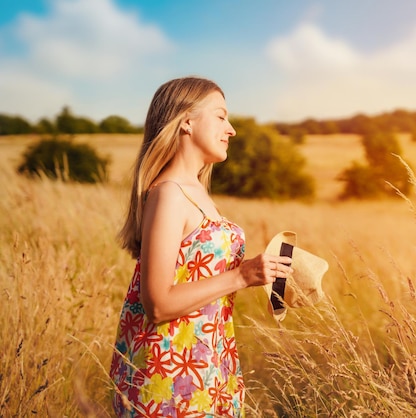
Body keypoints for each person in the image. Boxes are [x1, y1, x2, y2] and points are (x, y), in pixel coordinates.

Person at [109, 76, 292, 417]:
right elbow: (158, 304)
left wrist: (268, 280)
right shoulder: (168, 193)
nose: (232, 129)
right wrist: (240, 276)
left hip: (206, 364)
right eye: (221, 116)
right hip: (169, 376)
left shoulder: (197, 192)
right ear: (187, 122)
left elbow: (202, 283)